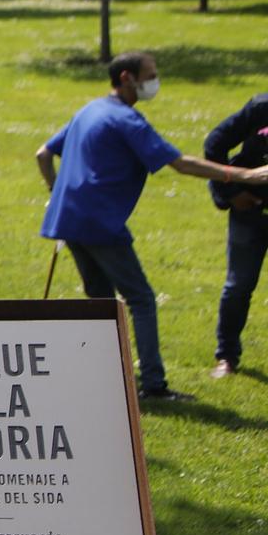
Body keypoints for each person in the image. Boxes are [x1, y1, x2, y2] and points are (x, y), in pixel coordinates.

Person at [37, 52, 268, 400]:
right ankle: (154, 386)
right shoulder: (128, 121)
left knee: (99, 300)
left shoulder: (90, 109)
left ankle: (103, 378)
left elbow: (43, 153)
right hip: (100, 224)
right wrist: (245, 175)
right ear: (128, 78)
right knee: (141, 299)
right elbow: (181, 164)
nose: (155, 82)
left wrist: (56, 191)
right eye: (151, 75)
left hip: (67, 221)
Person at [206, 90, 268, 379]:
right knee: (239, 285)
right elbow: (214, 145)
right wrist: (230, 193)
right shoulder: (260, 108)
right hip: (250, 212)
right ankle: (227, 357)